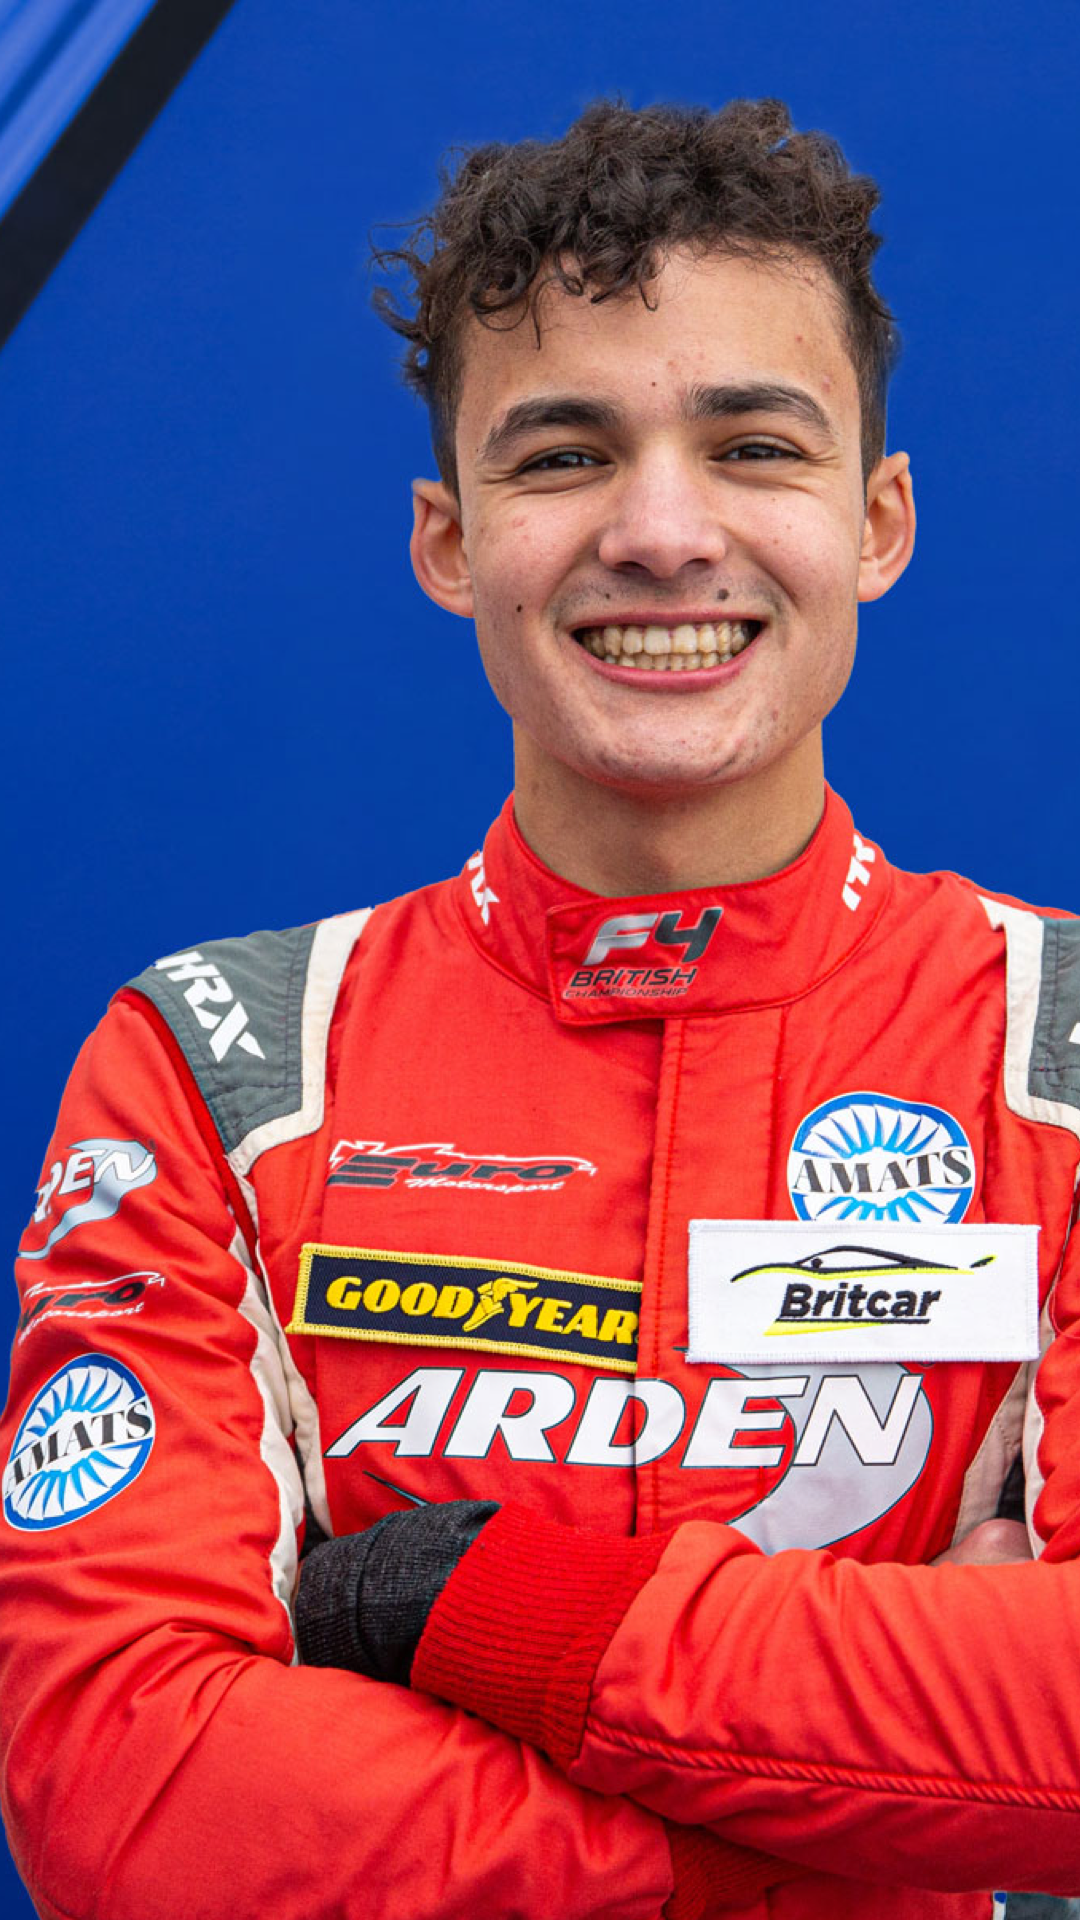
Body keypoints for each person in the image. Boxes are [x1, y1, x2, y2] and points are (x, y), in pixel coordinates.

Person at [1, 96, 1078, 1920]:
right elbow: (129, 1789)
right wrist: (879, 1834)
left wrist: (487, 1615)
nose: (664, 534)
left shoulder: (1057, 1050)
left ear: (878, 520)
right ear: (449, 538)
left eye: (754, 445)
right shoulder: (219, 1066)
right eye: (566, 456)